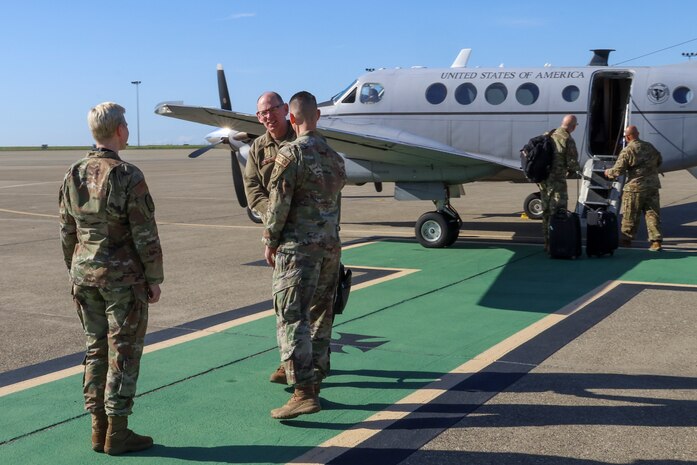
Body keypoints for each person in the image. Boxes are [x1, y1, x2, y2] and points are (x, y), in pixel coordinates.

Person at [59, 102, 164, 455]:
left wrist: (74, 269)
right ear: (120, 130)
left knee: (95, 349)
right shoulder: (127, 175)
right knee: (123, 352)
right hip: (122, 279)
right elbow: (144, 232)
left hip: (85, 277)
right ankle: (116, 432)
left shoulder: (73, 173)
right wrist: (153, 277)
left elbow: (66, 230)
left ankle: (97, 428)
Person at [263, 91, 346, 419]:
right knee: (321, 316)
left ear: (292, 119)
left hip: (298, 251)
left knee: (292, 317)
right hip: (330, 248)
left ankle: (303, 392)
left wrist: (269, 240)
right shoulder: (335, 157)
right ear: (318, 117)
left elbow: (278, 205)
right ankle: (316, 380)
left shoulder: (290, 155)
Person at [244, 92, 297, 384]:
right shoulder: (257, 148)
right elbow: (252, 188)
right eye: (262, 113)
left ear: (285, 109)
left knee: (314, 303)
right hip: (279, 233)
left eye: (272, 110)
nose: (267, 117)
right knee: (284, 304)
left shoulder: (301, 142)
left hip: (304, 231)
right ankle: (287, 361)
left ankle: (313, 361)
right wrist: (273, 218)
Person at [604, 125, 663, 251]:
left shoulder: (628, 150)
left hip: (635, 188)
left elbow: (618, 170)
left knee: (630, 215)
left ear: (628, 136)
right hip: (652, 186)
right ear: (638, 134)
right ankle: (656, 242)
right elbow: (659, 160)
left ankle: (626, 240)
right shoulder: (649, 146)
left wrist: (608, 172)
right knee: (652, 214)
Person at [539, 114, 581, 251]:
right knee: (558, 211)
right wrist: (577, 172)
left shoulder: (548, 134)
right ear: (573, 126)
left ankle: (547, 243)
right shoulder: (567, 139)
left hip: (544, 180)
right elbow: (572, 163)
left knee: (546, 211)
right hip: (557, 181)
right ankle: (556, 243)